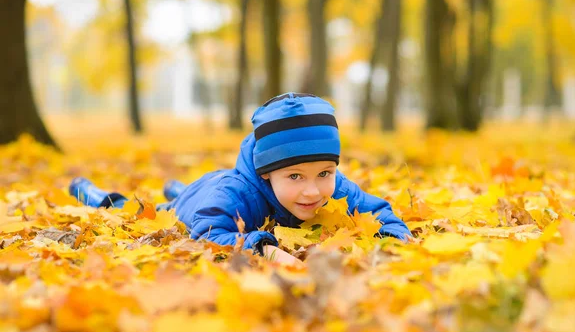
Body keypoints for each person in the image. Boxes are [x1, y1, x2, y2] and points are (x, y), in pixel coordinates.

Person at [70, 93, 411, 259]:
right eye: (295, 177)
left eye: (324, 172)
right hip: (208, 196)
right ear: (266, 175)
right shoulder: (237, 196)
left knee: (185, 190)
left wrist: (392, 237)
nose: (312, 191)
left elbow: (377, 211)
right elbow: (209, 232)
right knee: (147, 209)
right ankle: (97, 195)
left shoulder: (335, 189)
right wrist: (257, 245)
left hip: (212, 188)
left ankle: (178, 188)